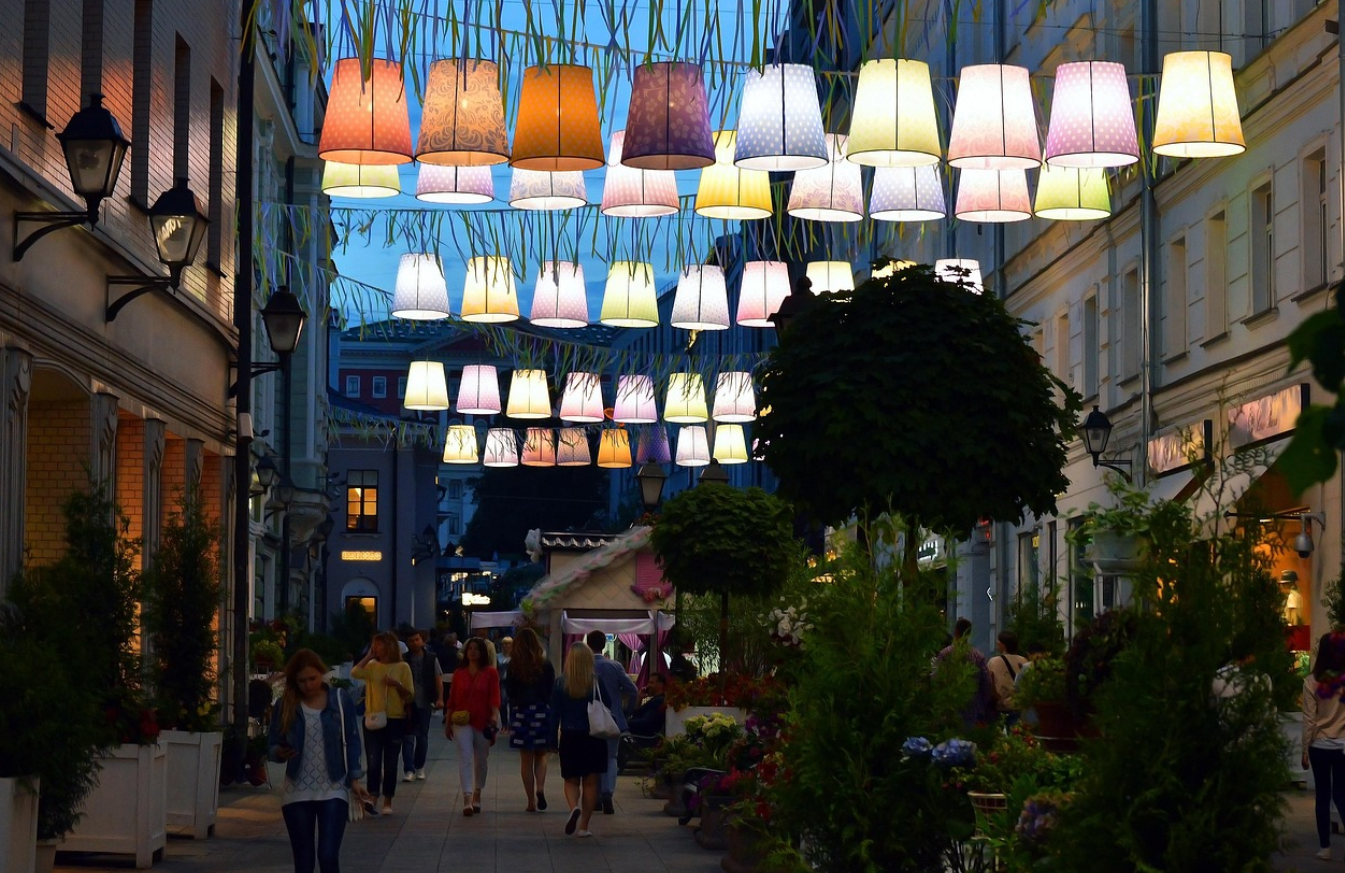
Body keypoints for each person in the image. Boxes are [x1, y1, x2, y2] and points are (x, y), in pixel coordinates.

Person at [269, 649, 366, 873]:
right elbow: (272, 744)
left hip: (333, 787)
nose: (307, 685)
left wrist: (354, 778)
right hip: (297, 790)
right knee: (303, 861)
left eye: (312, 678)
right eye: (301, 681)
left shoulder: (339, 700)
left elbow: (352, 739)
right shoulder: (285, 704)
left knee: (328, 855)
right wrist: (279, 752)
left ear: (321, 673)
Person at [550, 642, 613, 839]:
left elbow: (554, 713)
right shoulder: (596, 682)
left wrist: (551, 739)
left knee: (570, 779)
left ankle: (573, 807)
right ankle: (584, 826)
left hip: (570, 735)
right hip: (593, 736)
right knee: (591, 783)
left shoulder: (560, 683)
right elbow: (608, 703)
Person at [350, 630, 413, 815]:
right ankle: (372, 797)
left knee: (391, 762)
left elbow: (410, 694)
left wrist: (396, 684)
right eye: (373, 644)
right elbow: (355, 672)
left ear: (389, 646)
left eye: (378, 644)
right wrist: (368, 656)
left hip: (395, 719)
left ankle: (388, 800)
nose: (375, 647)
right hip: (373, 719)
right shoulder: (372, 666)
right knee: (373, 761)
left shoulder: (403, 667)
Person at [445, 636, 501, 817]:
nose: (473, 651)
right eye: (470, 648)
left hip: (483, 721)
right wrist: (448, 722)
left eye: (476, 648)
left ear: (483, 652)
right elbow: (452, 700)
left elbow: (494, 697)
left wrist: (494, 715)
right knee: (465, 756)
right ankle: (467, 797)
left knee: (481, 760)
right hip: (461, 720)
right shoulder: (459, 673)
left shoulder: (490, 673)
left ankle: (478, 791)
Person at [586, 630, 638, 814]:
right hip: (613, 718)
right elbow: (633, 690)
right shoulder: (615, 666)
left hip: (589, 719)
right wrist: (627, 710)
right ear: (603, 645)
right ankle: (607, 792)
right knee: (610, 757)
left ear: (588, 644)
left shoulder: (583, 666)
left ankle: (595, 796)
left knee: (592, 758)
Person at [503, 627, 555, 812]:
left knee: (526, 759)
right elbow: (551, 689)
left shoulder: (513, 666)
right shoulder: (545, 664)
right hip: (541, 711)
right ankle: (540, 788)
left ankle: (531, 801)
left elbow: (509, 691)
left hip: (521, 712)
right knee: (541, 754)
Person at [1304, 632, 1345, 860]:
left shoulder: (1312, 681)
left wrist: (1304, 749)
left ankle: (1325, 848)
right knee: (1341, 794)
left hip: (1319, 744)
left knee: (1322, 796)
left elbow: (1309, 719)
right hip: (1343, 745)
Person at [399, 628, 443, 783]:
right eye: (411, 641)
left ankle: (420, 766)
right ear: (407, 643)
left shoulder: (431, 658)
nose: (415, 643)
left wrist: (440, 698)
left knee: (422, 736)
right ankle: (409, 769)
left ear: (422, 641)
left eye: (417, 639)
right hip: (408, 703)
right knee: (407, 736)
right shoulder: (403, 659)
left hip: (425, 701)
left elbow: (438, 679)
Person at [935, 617, 994, 730]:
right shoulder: (978, 655)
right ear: (969, 634)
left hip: (949, 705)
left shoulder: (945, 653)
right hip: (973, 705)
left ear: (955, 632)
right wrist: (982, 701)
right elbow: (987, 681)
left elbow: (936, 678)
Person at [986, 631, 1029, 726]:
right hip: (1020, 706)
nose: (997, 643)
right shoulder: (1024, 660)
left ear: (1003, 644)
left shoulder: (994, 661)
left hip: (1002, 707)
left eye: (998, 641)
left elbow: (989, 683)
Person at [498, 636, 514, 724]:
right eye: (503, 644)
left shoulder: (514, 657)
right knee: (503, 703)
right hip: (501, 681)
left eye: (507, 644)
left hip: (512, 681)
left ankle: (511, 722)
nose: (505, 646)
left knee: (512, 703)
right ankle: (504, 723)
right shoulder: (497, 657)